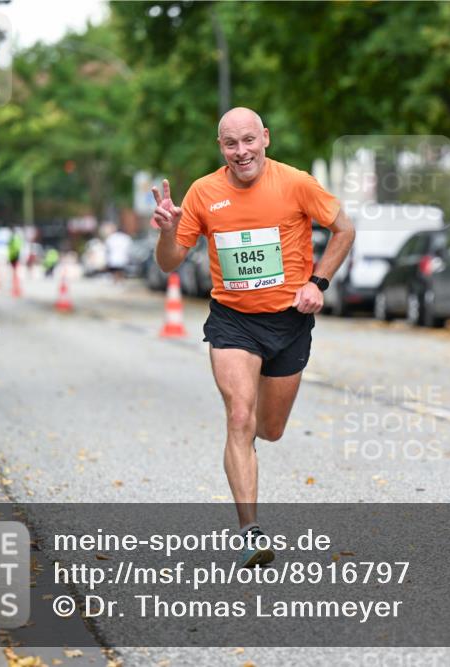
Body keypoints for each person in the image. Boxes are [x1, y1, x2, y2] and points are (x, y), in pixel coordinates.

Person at [153, 107, 355, 567]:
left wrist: (318, 283)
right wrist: (167, 232)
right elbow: (169, 262)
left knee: (270, 429)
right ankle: (250, 531)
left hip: (289, 322)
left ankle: (247, 447)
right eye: (231, 143)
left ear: (265, 137)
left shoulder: (296, 183)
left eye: (248, 140)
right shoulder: (204, 192)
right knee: (240, 416)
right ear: (220, 147)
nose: (241, 151)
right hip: (233, 321)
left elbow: (344, 229)